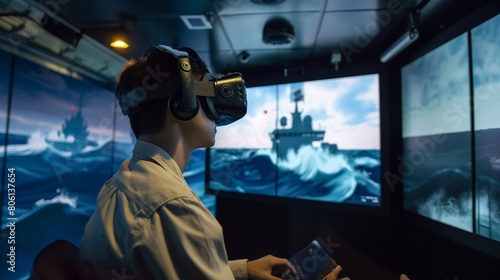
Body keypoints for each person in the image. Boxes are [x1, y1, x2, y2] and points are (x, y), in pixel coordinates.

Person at [78, 45, 349, 280]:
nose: (217, 112)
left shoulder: (117, 185)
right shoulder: (175, 208)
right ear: (183, 104)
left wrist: (242, 271)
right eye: (209, 97)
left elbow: (162, 267)